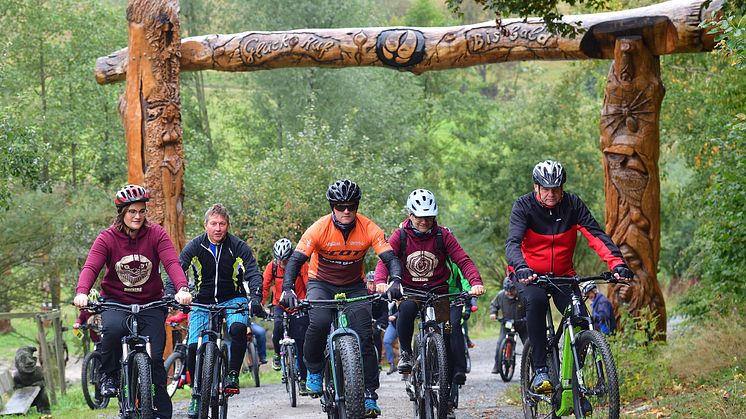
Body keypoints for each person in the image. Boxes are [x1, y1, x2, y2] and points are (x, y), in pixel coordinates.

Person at [506, 160, 633, 394]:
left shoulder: (572, 205)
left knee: (581, 320)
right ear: (536, 187)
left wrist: (617, 263)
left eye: (556, 188)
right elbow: (512, 243)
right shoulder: (523, 206)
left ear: (562, 188)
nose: (552, 194)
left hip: (563, 275)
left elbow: (595, 235)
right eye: (546, 189)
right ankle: (541, 369)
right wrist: (521, 267)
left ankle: (574, 380)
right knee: (537, 301)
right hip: (529, 275)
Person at [279, 179, 403, 418]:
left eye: (351, 206)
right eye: (340, 206)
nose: (346, 211)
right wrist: (287, 289)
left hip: (354, 286)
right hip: (321, 283)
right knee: (319, 322)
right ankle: (314, 370)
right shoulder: (318, 229)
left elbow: (390, 257)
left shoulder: (368, 228)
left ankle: (369, 394)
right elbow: (295, 261)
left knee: (365, 335)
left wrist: (396, 279)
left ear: (357, 206)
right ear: (332, 207)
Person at [74, 184, 192, 419]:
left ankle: (159, 407)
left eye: (141, 211)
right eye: (132, 211)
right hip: (117, 301)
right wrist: (82, 292)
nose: (137, 216)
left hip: (151, 303)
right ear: (122, 213)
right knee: (112, 330)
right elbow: (91, 266)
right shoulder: (107, 238)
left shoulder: (156, 233)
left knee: (156, 357)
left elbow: (171, 263)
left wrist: (182, 288)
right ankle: (110, 376)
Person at [373, 188, 484, 415]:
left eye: (429, 216)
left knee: (448, 336)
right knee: (406, 309)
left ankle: (446, 388)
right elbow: (386, 259)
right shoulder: (401, 235)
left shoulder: (443, 235)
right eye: (420, 216)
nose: (424, 221)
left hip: (438, 291)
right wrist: (381, 281)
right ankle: (405, 354)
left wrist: (475, 282)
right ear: (411, 215)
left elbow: (462, 260)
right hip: (410, 289)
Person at [179, 204, 264, 418]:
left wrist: (255, 297)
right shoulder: (195, 246)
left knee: (237, 328)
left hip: (233, 298)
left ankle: (233, 374)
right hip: (201, 300)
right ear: (205, 225)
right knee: (191, 347)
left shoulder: (238, 246)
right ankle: (196, 396)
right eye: (213, 224)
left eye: (222, 224)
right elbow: (177, 268)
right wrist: (177, 292)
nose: (218, 228)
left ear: (227, 226)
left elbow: (253, 271)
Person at [262, 237, 310, 394]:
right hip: (279, 305)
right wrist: (260, 304)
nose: (283, 263)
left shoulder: (301, 265)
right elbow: (265, 286)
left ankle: (303, 381)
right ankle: (277, 354)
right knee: (276, 329)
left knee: (301, 343)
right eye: (280, 260)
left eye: (286, 260)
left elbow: (309, 283)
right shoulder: (273, 267)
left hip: (299, 304)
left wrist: (308, 301)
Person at [489, 277, 527, 374]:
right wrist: (493, 313)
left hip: (522, 324)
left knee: (528, 344)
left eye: (512, 290)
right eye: (507, 290)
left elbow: (530, 308)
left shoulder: (523, 295)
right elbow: (494, 305)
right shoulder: (501, 295)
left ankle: (533, 367)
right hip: (507, 324)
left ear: (516, 288)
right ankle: (497, 366)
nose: (509, 293)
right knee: (500, 343)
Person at [367, 272, 389, 369]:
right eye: (370, 283)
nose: (372, 286)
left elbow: (385, 312)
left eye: (374, 283)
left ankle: (378, 360)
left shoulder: (382, 296)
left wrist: (380, 323)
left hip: (378, 320)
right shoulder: (362, 294)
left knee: (376, 334)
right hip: (365, 319)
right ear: (366, 283)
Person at [382, 297, 399, 375]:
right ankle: (392, 364)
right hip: (392, 325)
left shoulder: (399, 296)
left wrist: (395, 315)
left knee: (403, 344)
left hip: (402, 323)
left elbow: (405, 308)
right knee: (386, 341)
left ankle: (406, 370)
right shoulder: (384, 299)